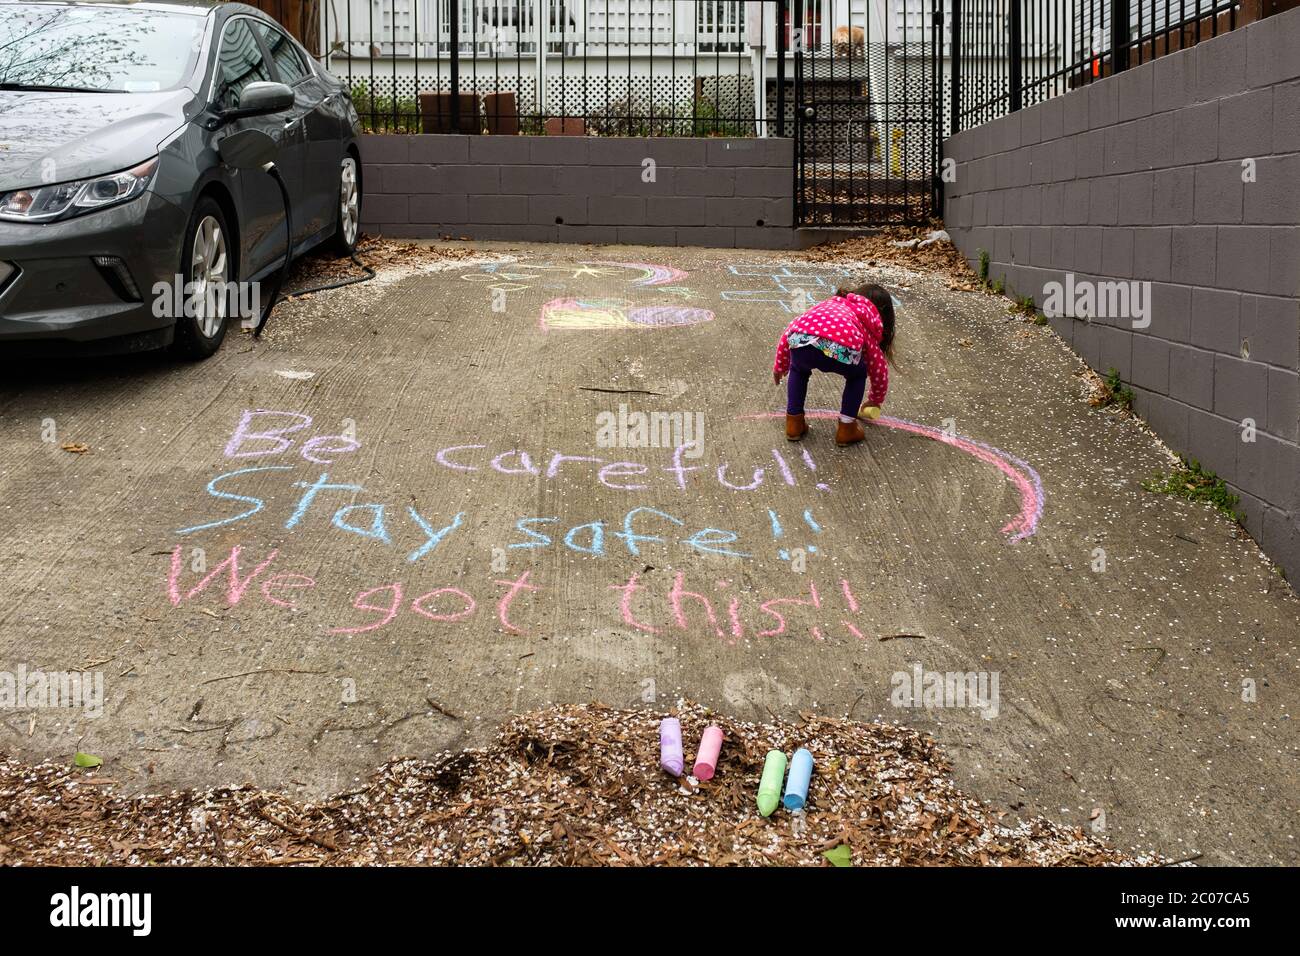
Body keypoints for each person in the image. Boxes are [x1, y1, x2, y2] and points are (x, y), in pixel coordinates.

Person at [773, 282, 895, 447]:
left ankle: (793, 423)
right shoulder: (867, 318)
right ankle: (847, 427)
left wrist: (781, 365)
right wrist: (875, 400)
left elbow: (791, 329)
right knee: (857, 375)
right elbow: (878, 368)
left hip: (802, 339)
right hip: (840, 348)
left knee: (798, 369)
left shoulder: (831, 303)